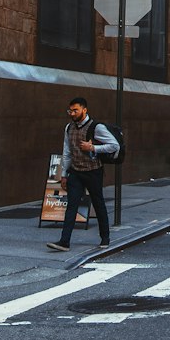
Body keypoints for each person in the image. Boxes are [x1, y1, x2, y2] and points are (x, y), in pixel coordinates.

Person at [46, 95, 118, 252]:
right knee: (71, 205)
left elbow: (114, 145)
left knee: (98, 204)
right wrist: (64, 175)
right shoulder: (68, 128)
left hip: (93, 172)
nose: (72, 113)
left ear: (84, 110)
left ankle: (105, 237)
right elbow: (67, 152)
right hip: (76, 172)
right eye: (70, 110)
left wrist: (93, 148)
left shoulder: (96, 127)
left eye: (75, 110)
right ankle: (64, 242)